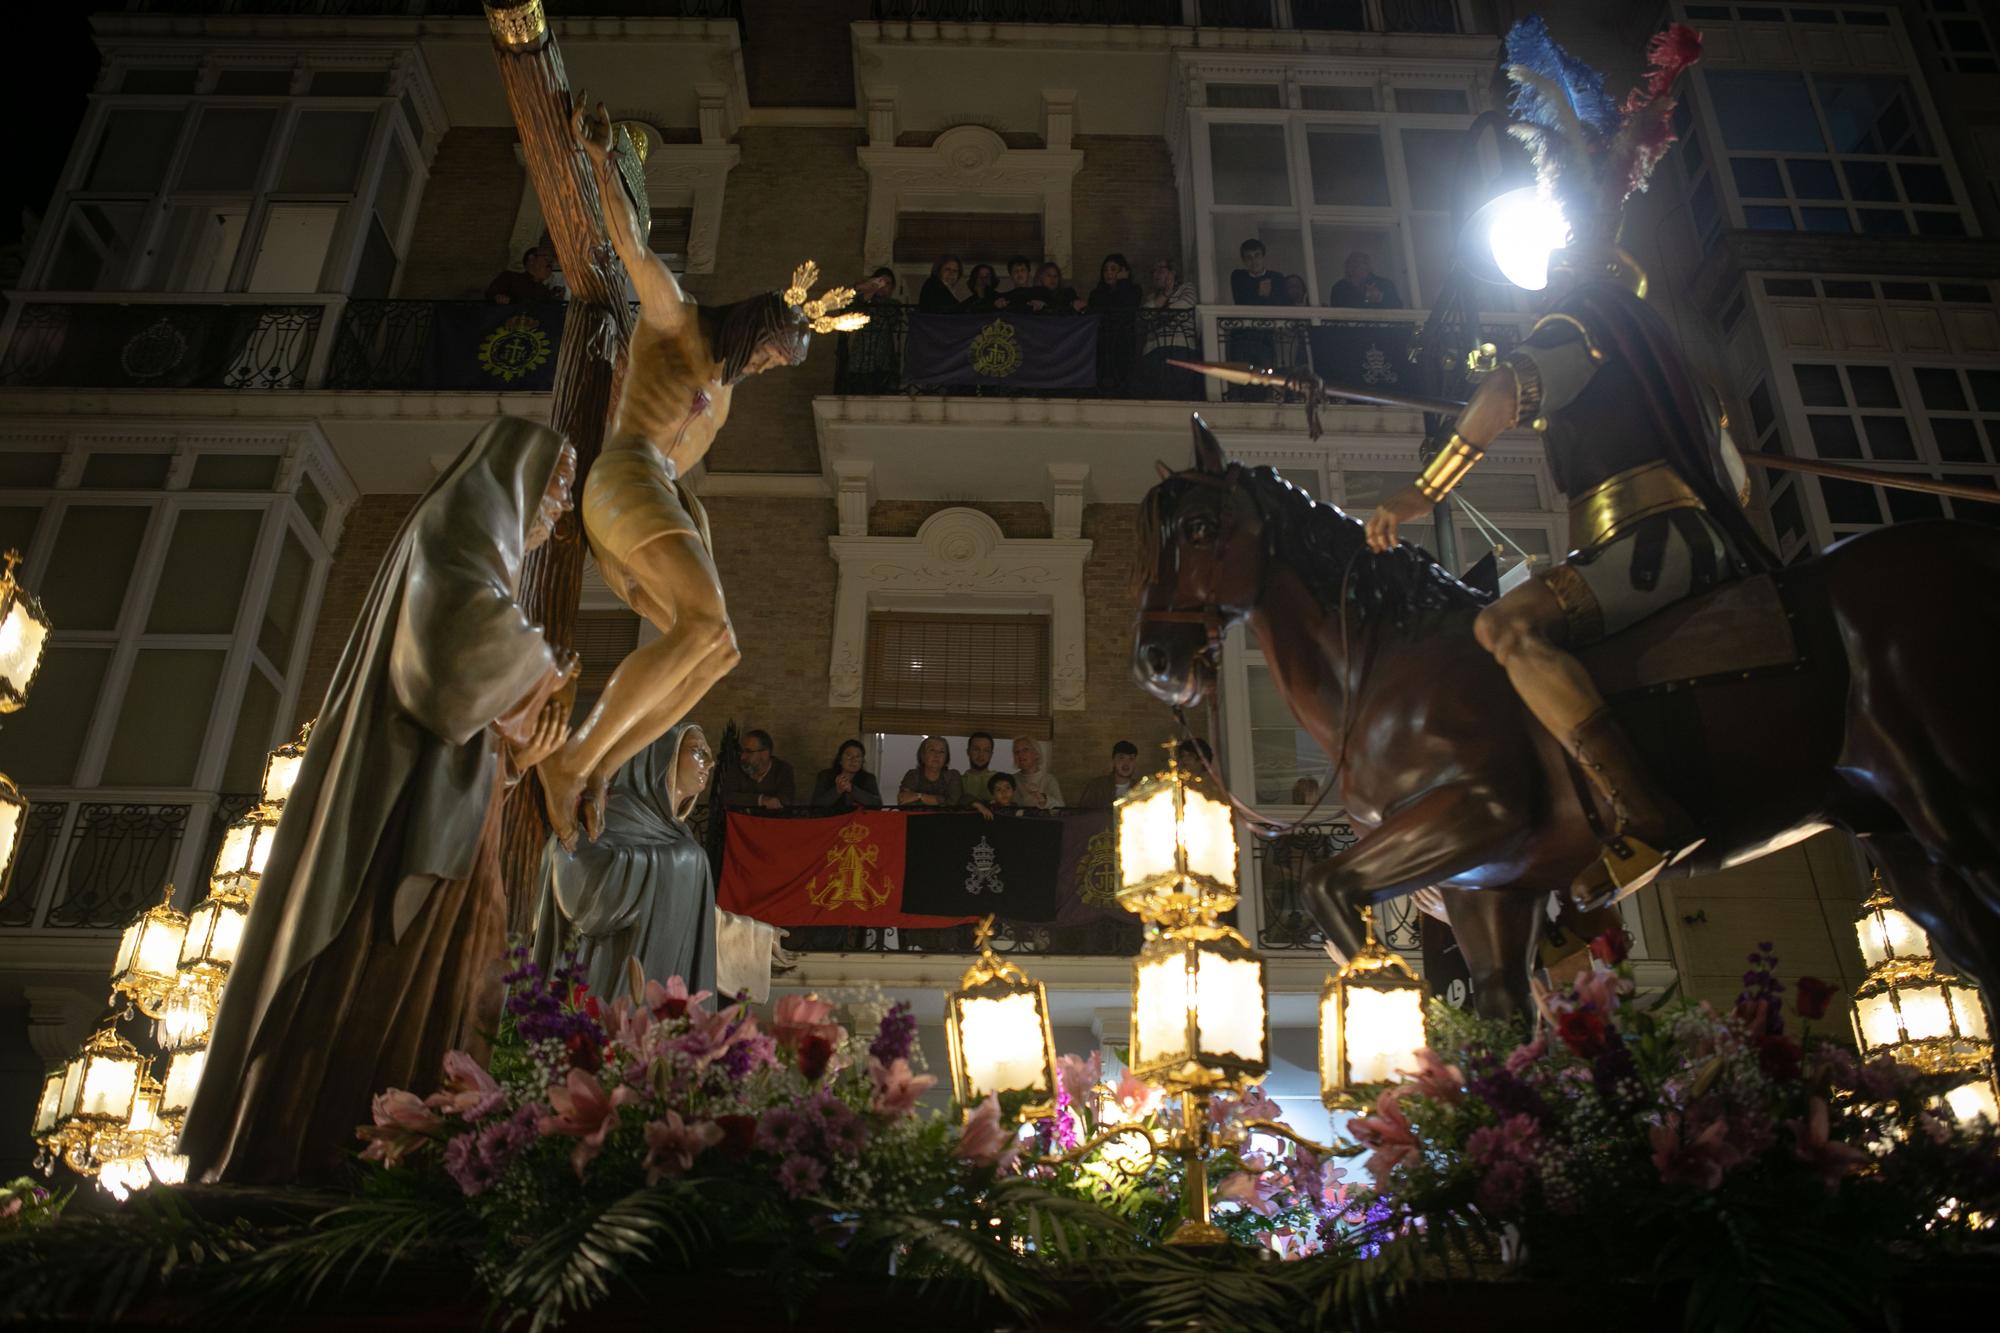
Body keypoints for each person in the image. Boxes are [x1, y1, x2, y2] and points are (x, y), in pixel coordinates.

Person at [1363, 18, 1760, 904]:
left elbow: (1508, 391)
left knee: (1505, 630)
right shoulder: (1666, 354)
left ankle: (1643, 811)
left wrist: (1421, 491)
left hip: (1649, 542)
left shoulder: (1583, 321)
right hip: (1706, 539)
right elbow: (1739, 476)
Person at [182, 418, 580, 1184]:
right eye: (557, 481)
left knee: (452, 993)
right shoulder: (455, 529)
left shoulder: (482, 550)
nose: (560, 504)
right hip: (394, 822)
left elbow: (468, 730)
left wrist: (517, 750)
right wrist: (539, 665)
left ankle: (409, 1156)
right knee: (378, 976)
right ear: (511, 475)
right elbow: (445, 665)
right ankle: (319, 1155)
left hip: (452, 819)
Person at [534, 97, 883, 848]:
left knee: (717, 650)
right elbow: (631, 252)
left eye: (773, 366)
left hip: (658, 496)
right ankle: (573, 758)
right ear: (755, 326)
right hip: (626, 477)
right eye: (767, 352)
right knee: (702, 625)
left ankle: (603, 762)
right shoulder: (678, 323)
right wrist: (602, 165)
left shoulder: (721, 402)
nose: (762, 367)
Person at [532, 723, 717, 1001]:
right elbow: (579, 893)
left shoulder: (678, 835)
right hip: (603, 988)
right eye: (698, 751)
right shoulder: (605, 817)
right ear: (661, 757)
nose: (710, 763)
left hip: (661, 1003)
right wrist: (685, 861)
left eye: (709, 755)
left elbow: (696, 920)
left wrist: (757, 939)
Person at [1088, 252, 1142, 392]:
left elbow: (1128, 306)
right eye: (1105, 269)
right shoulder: (1096, 294)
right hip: (1102, 344)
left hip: (1123, 343)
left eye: (1113, 269)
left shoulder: (1134, 290)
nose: (1108, 273)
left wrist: (1123, 282)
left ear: (1123, 271)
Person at [718, 728, 794, 811]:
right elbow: (726, 796)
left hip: (772, 822)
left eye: (748, 751)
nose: (742, 757)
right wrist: (761, 800)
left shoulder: (782, 769)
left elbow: (786, 800)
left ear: (765, 753)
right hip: (742, 821)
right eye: (742, 751)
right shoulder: (737, 767)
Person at [811, 738, 883, 810]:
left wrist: (852, 789)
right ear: (840, 760)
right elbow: (815, 806)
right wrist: (837, 790)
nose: (853, 760)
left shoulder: (869, 778)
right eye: (849, 756)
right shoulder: (825, 776)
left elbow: (877, 805)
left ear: (862, 761)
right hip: (830, 820)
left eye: (858, 757)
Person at [896, 735, 962, 806]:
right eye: (932, 750)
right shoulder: (912, 775)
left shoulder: (952, 775)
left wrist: (919, 796)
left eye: (942, 752)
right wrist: (940, 800)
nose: (936, 755)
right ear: (923, 755)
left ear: (946, 758)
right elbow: (904, 801)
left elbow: (953, 803)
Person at [485, 246, 563, 305]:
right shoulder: (510, 278)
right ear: (531, 258)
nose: (550, 263)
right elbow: (492, 295)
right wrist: (498, 297)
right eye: (547, 258)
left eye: (552, 261)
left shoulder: (545, 292)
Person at [1077, 740, 1140, 810]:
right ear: (1113, 761)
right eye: (1121, 758)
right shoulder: (1096, 786)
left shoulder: (1140, 789)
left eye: (1131, 759)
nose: (1126, 763)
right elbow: (1082, 814)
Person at [1329, 252, 1402, 309]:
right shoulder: (1339, 288)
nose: (1355, 267)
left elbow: (1398, 307)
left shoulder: (1384, 284)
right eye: (1352, 263)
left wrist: (1380, 297)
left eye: (1360, 263)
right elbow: (1337, 312)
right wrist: (1366, 300)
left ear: (1368, 267)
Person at [1229, 239, 1286, 306]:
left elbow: (1280, 306)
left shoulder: (1277, 277)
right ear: (1243, 260)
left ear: (1263, 257)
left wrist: (1262, 296)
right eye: (1248, 257)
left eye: (1257, 255)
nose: (1253, 261)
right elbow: (1241, 304)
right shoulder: (1238, 276)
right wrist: (1261, 294)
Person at [1011, 736, 1063, 809]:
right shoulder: (1011, 780)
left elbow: (1061, 806)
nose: (1020, 754)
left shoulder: (1049, 779)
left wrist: (1041, 797)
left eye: (1025, 750)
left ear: (1036, 754)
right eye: (1017, 752)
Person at [960, 731, 998, 804]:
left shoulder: (1001, 781)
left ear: (991, 754)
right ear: (968, 752)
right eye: (976, 749)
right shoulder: (958, 781)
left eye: (986, 750)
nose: (981, 754)